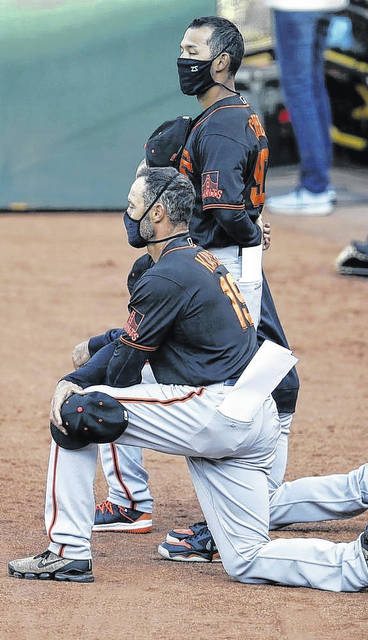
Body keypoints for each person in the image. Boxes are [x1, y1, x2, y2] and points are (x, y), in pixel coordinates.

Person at [8, 168, 368, 598]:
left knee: (78, 410)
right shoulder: (201, 259)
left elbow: (122, 374)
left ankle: (67, 551)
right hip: (251, 416)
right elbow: (144, 340)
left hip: (215, 413)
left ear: (159, 213)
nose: (127, 216)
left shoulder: (165, 276)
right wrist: (104, 347)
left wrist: (72, 380)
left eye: (133, 207)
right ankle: (358, 561)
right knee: (246, 557)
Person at [87, 15, 300, 543]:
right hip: (225, 260)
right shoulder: (226, 117)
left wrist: (248, 233)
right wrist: (250, 229)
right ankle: (143, 497)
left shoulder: (224, 123)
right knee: (257, 380)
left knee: (249, 383)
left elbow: (224, 205)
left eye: (193, 49)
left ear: (222, 60)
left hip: (222, 264)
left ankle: (218, 507)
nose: (183, 58)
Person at [265, 1, 349, 216]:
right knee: (313, 87)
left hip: (296, 6)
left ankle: (315, 187)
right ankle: (320, 182)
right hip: (325, 5)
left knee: (301, 90)